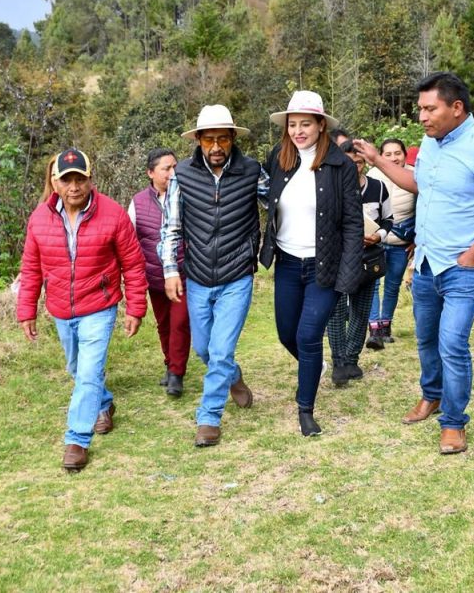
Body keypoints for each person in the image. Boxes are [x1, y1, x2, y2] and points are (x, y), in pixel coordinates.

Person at [355, 72, 474, 455]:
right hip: (427, 263)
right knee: (427, 339)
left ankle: (453, 422)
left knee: (452, 343)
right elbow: (419, 185)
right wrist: (378, 159)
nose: (421, 117)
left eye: (430, 109)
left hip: (464, 268)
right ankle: (431, 395)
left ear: (456, 107)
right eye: (420, 109)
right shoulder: (431, 144)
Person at [17, 148, 148, 472]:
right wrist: (26, 310)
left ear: (90, 180)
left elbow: (133, 264)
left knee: (88, 373)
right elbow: (31, 268)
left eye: (80, 179)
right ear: (55, 182)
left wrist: (135, 307)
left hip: (99, 306)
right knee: (77, 368)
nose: (74, 187)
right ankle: (103, 404)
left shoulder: (113, 214)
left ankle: (76, 440)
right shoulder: (39, 219)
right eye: (67, 180)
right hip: (61, 308)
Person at [260, 90, 363, 436]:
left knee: (308, 335)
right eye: (292, 125)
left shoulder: (340, 165)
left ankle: (305, 409)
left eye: (306, 124)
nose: (298, 131)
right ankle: (314, 365)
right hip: (288, 263)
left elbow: (353, 222)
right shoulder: (279, 159)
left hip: (325, 265)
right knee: (286, 333)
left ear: (321, 125)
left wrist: (348, 274)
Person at [159, 105, 263, 448]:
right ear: (199, 141)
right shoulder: (182, 175)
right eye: (208, 140)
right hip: (198, 276)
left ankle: (209, 417)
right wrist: (171, 271)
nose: (216, 146)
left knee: (219, 351)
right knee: (204, 349)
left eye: (222, 139)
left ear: (232, 138)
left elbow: (280, 201)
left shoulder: (252, 171)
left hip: (237, 274)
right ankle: (233, 376)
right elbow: (171, 227)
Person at [325, 138, 392, 386]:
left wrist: (378, 236)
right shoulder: (329, 187)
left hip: (368, 257)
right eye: (349, 162)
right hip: (338, 257)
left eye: (359, 162)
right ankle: (339, 361)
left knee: (361, 310)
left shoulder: (378, 188)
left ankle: (352, 358)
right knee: (336, 310)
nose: (355, 167)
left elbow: (388, 219)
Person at [128, 148, 191, 397]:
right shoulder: (138, 202)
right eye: (166, 168)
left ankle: (177, 373)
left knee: (180, 322)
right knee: (164, 323)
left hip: (184, 273)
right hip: (154, 277)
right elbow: (129, 240)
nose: (172, 172)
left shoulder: (188, 195)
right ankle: (170, 363)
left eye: (175, 166)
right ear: (151, 173)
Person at [366, 138, 416, 349]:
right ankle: (374, 328)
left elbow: (424, 208)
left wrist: (417, 240)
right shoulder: (372, 175)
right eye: (388, 154)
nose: (394, 158)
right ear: (381, 156)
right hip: (375, 240)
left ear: (404, 155)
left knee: (393, 285)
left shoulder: (415, 176)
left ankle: (386, 325)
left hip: (401, 242)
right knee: (373, 284)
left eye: (398, 153)